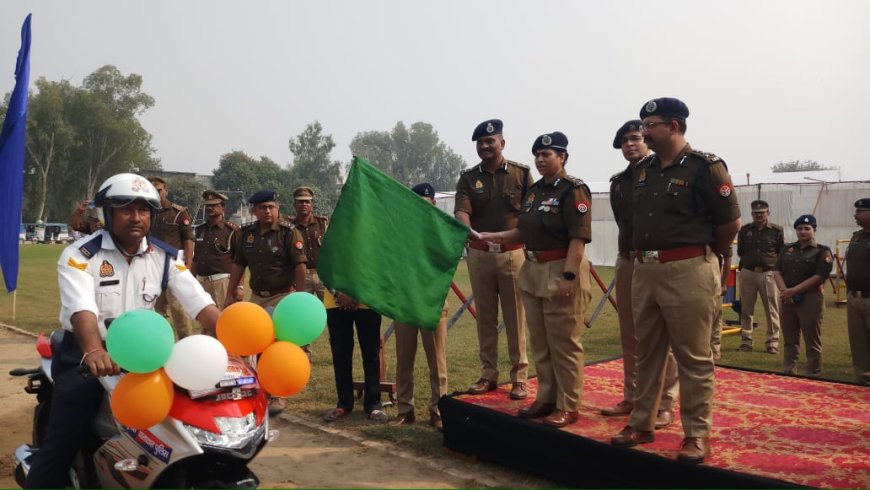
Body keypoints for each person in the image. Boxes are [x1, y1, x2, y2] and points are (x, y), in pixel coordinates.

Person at [24, 173, 219, 489]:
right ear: (107, 213)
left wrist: (232, 334)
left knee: (183, 429)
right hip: (86, 357)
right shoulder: (80, 255)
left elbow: (201, 304)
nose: (136, 217)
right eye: (126, 209)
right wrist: (94, 351)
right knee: (63, 441)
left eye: (143, 211)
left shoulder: (165, 257)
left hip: (147, 357)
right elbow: (82, 309)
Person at [610, 97, 741, 465]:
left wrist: (703, 256)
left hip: (689, 269)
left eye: (650, 125)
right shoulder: (645, 170)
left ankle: (696, 435)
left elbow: (729, 223)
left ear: (674, 126)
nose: (644, 132)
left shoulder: (705, 167)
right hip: (645, 270)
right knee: (648, 352)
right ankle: (641, 423)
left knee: (694, 358)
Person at [480, 132, 590, 428]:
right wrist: (499, 236)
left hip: (561, 268)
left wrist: (569, 276)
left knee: (564, 343)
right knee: (541, 342)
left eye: (548, 155)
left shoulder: (573, 190)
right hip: (533, 269)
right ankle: (546, 397)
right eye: (537, 156)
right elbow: (524, 231)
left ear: (562, 157)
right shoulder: (534, 191)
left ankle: (568, 404)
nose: (541, 160)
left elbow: (578, 239)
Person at [601, 119, 677, 429]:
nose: (630, 145)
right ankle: (633, 396)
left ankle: (665, 402)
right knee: (630, 335)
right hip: (627, 259)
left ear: (647, 140)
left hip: (658, 262)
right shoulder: (618, 182)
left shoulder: (662, 172)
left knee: (662, 337)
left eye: (635, 138)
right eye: (624, 142)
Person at [454, 119, 532, 400]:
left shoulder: (522, 175)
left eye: (491, 141)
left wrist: (506, 236)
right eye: (481, 143)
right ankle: (488, 374)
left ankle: (519, 377)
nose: (485, 146)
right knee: (485, 319)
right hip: (480, 256)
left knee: (516, 317)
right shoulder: (467, 177)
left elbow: (530, 213)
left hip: (513, 255)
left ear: (502, 143)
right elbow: (462, 209)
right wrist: (465, 225)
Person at [226, 189, 307, 416]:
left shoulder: (289, 233)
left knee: (276, 346)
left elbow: (300, 266)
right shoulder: (245, 234)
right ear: (254, 210)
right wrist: (230, 293)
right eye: (263, 208)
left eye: (271, 207)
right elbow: (238, 265)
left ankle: (278, 395)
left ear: (278, 207)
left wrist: (297, 299)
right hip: (256, 297)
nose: (268, 211)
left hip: (282, 295)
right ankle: (258, 389)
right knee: (251, 344)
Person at [388, 183, 449, 430]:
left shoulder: (442, 231)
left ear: (433, 202)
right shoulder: (400, 232)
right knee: (404, 359)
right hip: (405, 301)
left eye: (427, 201)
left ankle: (438, 410)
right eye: (417, 202)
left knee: (437, 360)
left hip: (432, 300)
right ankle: (405, 409)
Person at [774, 214, 833, 377]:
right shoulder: (787, 249)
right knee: (789, 338)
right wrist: (784, 291)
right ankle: (789, 370)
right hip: (788, 298)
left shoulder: (822, 251)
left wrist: (794, 290)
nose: (803, 232)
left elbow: (819, 276)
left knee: (811, 338)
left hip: (810, 298)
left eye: (807, 229)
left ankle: (813, 372)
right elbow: (777, 271)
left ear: (814, 230)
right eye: (799, 229)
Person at [322, 288, 388, 423]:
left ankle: (373, 404)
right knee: (340, 354)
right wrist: (338, 294)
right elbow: (325, 270)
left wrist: (360, 294)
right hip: (336, 302)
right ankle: (344, 403)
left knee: (371, 353)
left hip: (369, 299)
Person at [147, 176, 195, 339]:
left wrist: (188, 262)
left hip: (174, 266)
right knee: (157, 310)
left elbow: (188, 239)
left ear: (166, 191)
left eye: (159, 190)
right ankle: (163, 344)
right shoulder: (146, 211)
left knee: (179, 310)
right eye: (153, 190)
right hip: (152, 266)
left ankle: (187, 344)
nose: (156, 193)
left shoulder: (178, 212)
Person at [736, 200, 784, 353]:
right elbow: (741, 251)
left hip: (768, 273)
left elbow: (780, 252)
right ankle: (746, 341)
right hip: (748, 272)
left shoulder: (776, 230)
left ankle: (772, 342)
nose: (759, 215)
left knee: (771, 309)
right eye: (756, 213)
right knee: (746, 309)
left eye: (762, 213)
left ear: (768, 213)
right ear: (752, 214)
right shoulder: (744, 230)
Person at [192, 190, 240, 310]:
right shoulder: (200, 230)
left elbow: (239, 261)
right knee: (206, 321)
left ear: (222, 207)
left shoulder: (231, 230)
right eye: (207, 205)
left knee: (224, 319)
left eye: (214, 205)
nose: (209, 208)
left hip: (222, 282)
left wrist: (240, 286)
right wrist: (192, 281)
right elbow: (196, 258)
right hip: (201, 281)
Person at [287, 186, 329, 301]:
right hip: (301, 276)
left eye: (307, 201)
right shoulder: (289, 227)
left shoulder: (323, 224)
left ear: (312, 205)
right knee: (302, 308)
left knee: (329, 310)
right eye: (300, 202)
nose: (304, 204)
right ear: (294, 205)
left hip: (322, 275)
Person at [845, 198, 870, 386]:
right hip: (855, 297)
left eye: (860, 211)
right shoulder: (857, 236)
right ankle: (862, 381)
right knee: (858, 343)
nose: (856, 214)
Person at [710, 247, 733, 361]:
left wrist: (723, 283)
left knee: (716, 316)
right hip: (687, 277)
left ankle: (714, 349)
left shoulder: (717, 230)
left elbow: (728, 257)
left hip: (713, 278)